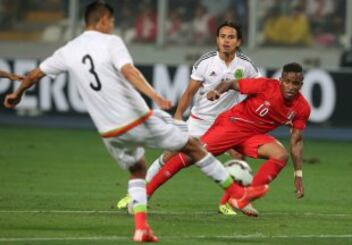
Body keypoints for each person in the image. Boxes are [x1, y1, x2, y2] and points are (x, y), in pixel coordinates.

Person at [3, 1, 268, 243]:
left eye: (230, 37)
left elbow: (34, 75)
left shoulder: (67, 50)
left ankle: (141, 225)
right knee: (189, 149)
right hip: (142, 118)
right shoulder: (112, 42)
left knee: (137, 168)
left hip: (109, 132)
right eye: (112, 21)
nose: (113, 26)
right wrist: (157, 98)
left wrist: (16, 94)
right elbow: (130, 71)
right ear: (104, 20)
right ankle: (238, 193)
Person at [118, 21, 261, 216]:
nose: (226, 41)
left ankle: (227, 202)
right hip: (200, 120)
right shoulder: (206, 62)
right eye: (222, 37)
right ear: (217, 39)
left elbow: (258, 92)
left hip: (228, 122)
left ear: (238, 41)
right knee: (170, 154)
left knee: (238, 157)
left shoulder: (247, 66)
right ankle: (138, 194)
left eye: (231, 37)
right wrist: (178, 120)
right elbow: (188, 93)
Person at [141, 62, 311, 215]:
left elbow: (296, 142)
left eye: (295, 83)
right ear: (280, 80)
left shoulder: (302, 108)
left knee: (280, 155)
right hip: (231, 126)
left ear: (301, 85)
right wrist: (216, 91)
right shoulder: (265, 85)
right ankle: (145, 194)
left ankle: (242, 199)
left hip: (252, 137)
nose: (290, 87)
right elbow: (231, 83)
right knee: (190, 155)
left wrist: (298, 175)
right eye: (287, 81)